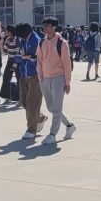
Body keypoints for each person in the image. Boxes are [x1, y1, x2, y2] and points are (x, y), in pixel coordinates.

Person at [36, 16, 76, 145]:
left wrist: (67, 82)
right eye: (44, 26)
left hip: (59, 77)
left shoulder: (62, 43)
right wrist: (40, 77)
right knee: (51, 108)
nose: (45, 28)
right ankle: (69, 125)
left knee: (57, 107)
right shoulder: (41, 42)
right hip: (45, 78)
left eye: (48, 26)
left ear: (54, 27)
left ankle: (52, 134)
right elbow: (39, 60)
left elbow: (67, 63)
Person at [14, 22, 47, 139]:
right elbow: (17, 57)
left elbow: (39, 60)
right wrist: (25, 57)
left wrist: (25, 57)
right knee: (23, 101)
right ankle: (39, 118)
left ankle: (31, 129)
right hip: (23, 74)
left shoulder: (37, 41)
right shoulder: (23, 41)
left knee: (32, 102)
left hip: (35, 75)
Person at [1, 25, 19, 107]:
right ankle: (6, 98)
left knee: (19, 78)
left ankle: (21, 98)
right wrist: (6, 44)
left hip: (17, 61)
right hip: (10, 60)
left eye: (6, 31)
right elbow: (4, 51)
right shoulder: (7, 39)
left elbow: (17, 53)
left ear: (10, 31)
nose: (4, 32)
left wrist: (15, 65)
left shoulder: (17, 39)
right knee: (6, 78)